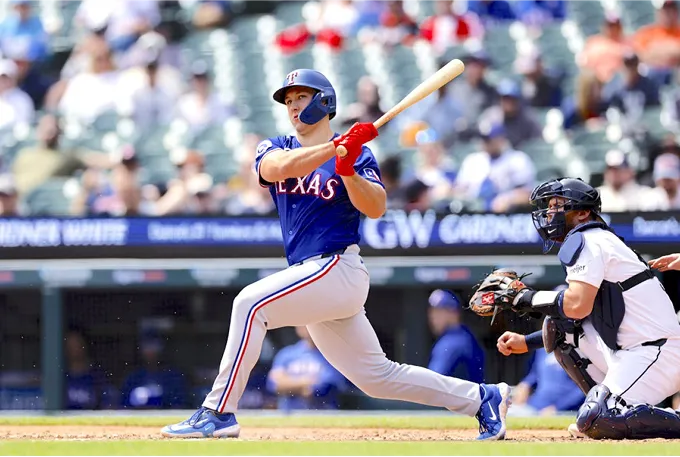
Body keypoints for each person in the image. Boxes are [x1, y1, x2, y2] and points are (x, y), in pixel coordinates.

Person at [161, 69, 511, 440]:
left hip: (337, 267)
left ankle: (218, 411)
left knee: (249, 304)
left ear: (324, 102)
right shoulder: (277, 145)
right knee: (377, 378)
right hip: (313, 277)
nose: (294, 107)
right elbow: (276, 168)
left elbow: (375, 206)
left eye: (302, 98)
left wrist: (347, 168)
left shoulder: (357, 155)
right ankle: (482, 398)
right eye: (289, 100)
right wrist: (335, 149)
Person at [472, 177, 680, 440]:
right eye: (549, 206)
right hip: (632, 351)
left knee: (601, 417)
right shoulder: (596, 238)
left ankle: (606, 411)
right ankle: (602, 408)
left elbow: (577, 305)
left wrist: (523, 297)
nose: (550, 213)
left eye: (559, 206)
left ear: (582, 213)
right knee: (557, 327)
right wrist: (528, 341)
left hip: (658, 352)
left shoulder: (587, 239)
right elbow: (578, 316)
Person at [266, 326, 347, 411]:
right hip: (289, 416)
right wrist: (305, 384)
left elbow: (327, 386)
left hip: (324, 415)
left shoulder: (332, 355)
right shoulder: (286, 354)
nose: (305, 327)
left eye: (309, 324)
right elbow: (274, 384)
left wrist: (289, 384)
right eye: (302, 323)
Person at [427, 290, 485, 383]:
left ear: (454, 313)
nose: (433, 316)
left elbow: (433, 382)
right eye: (432, 311)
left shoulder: (451, 342)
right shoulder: (466, 335)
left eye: (439, 311)